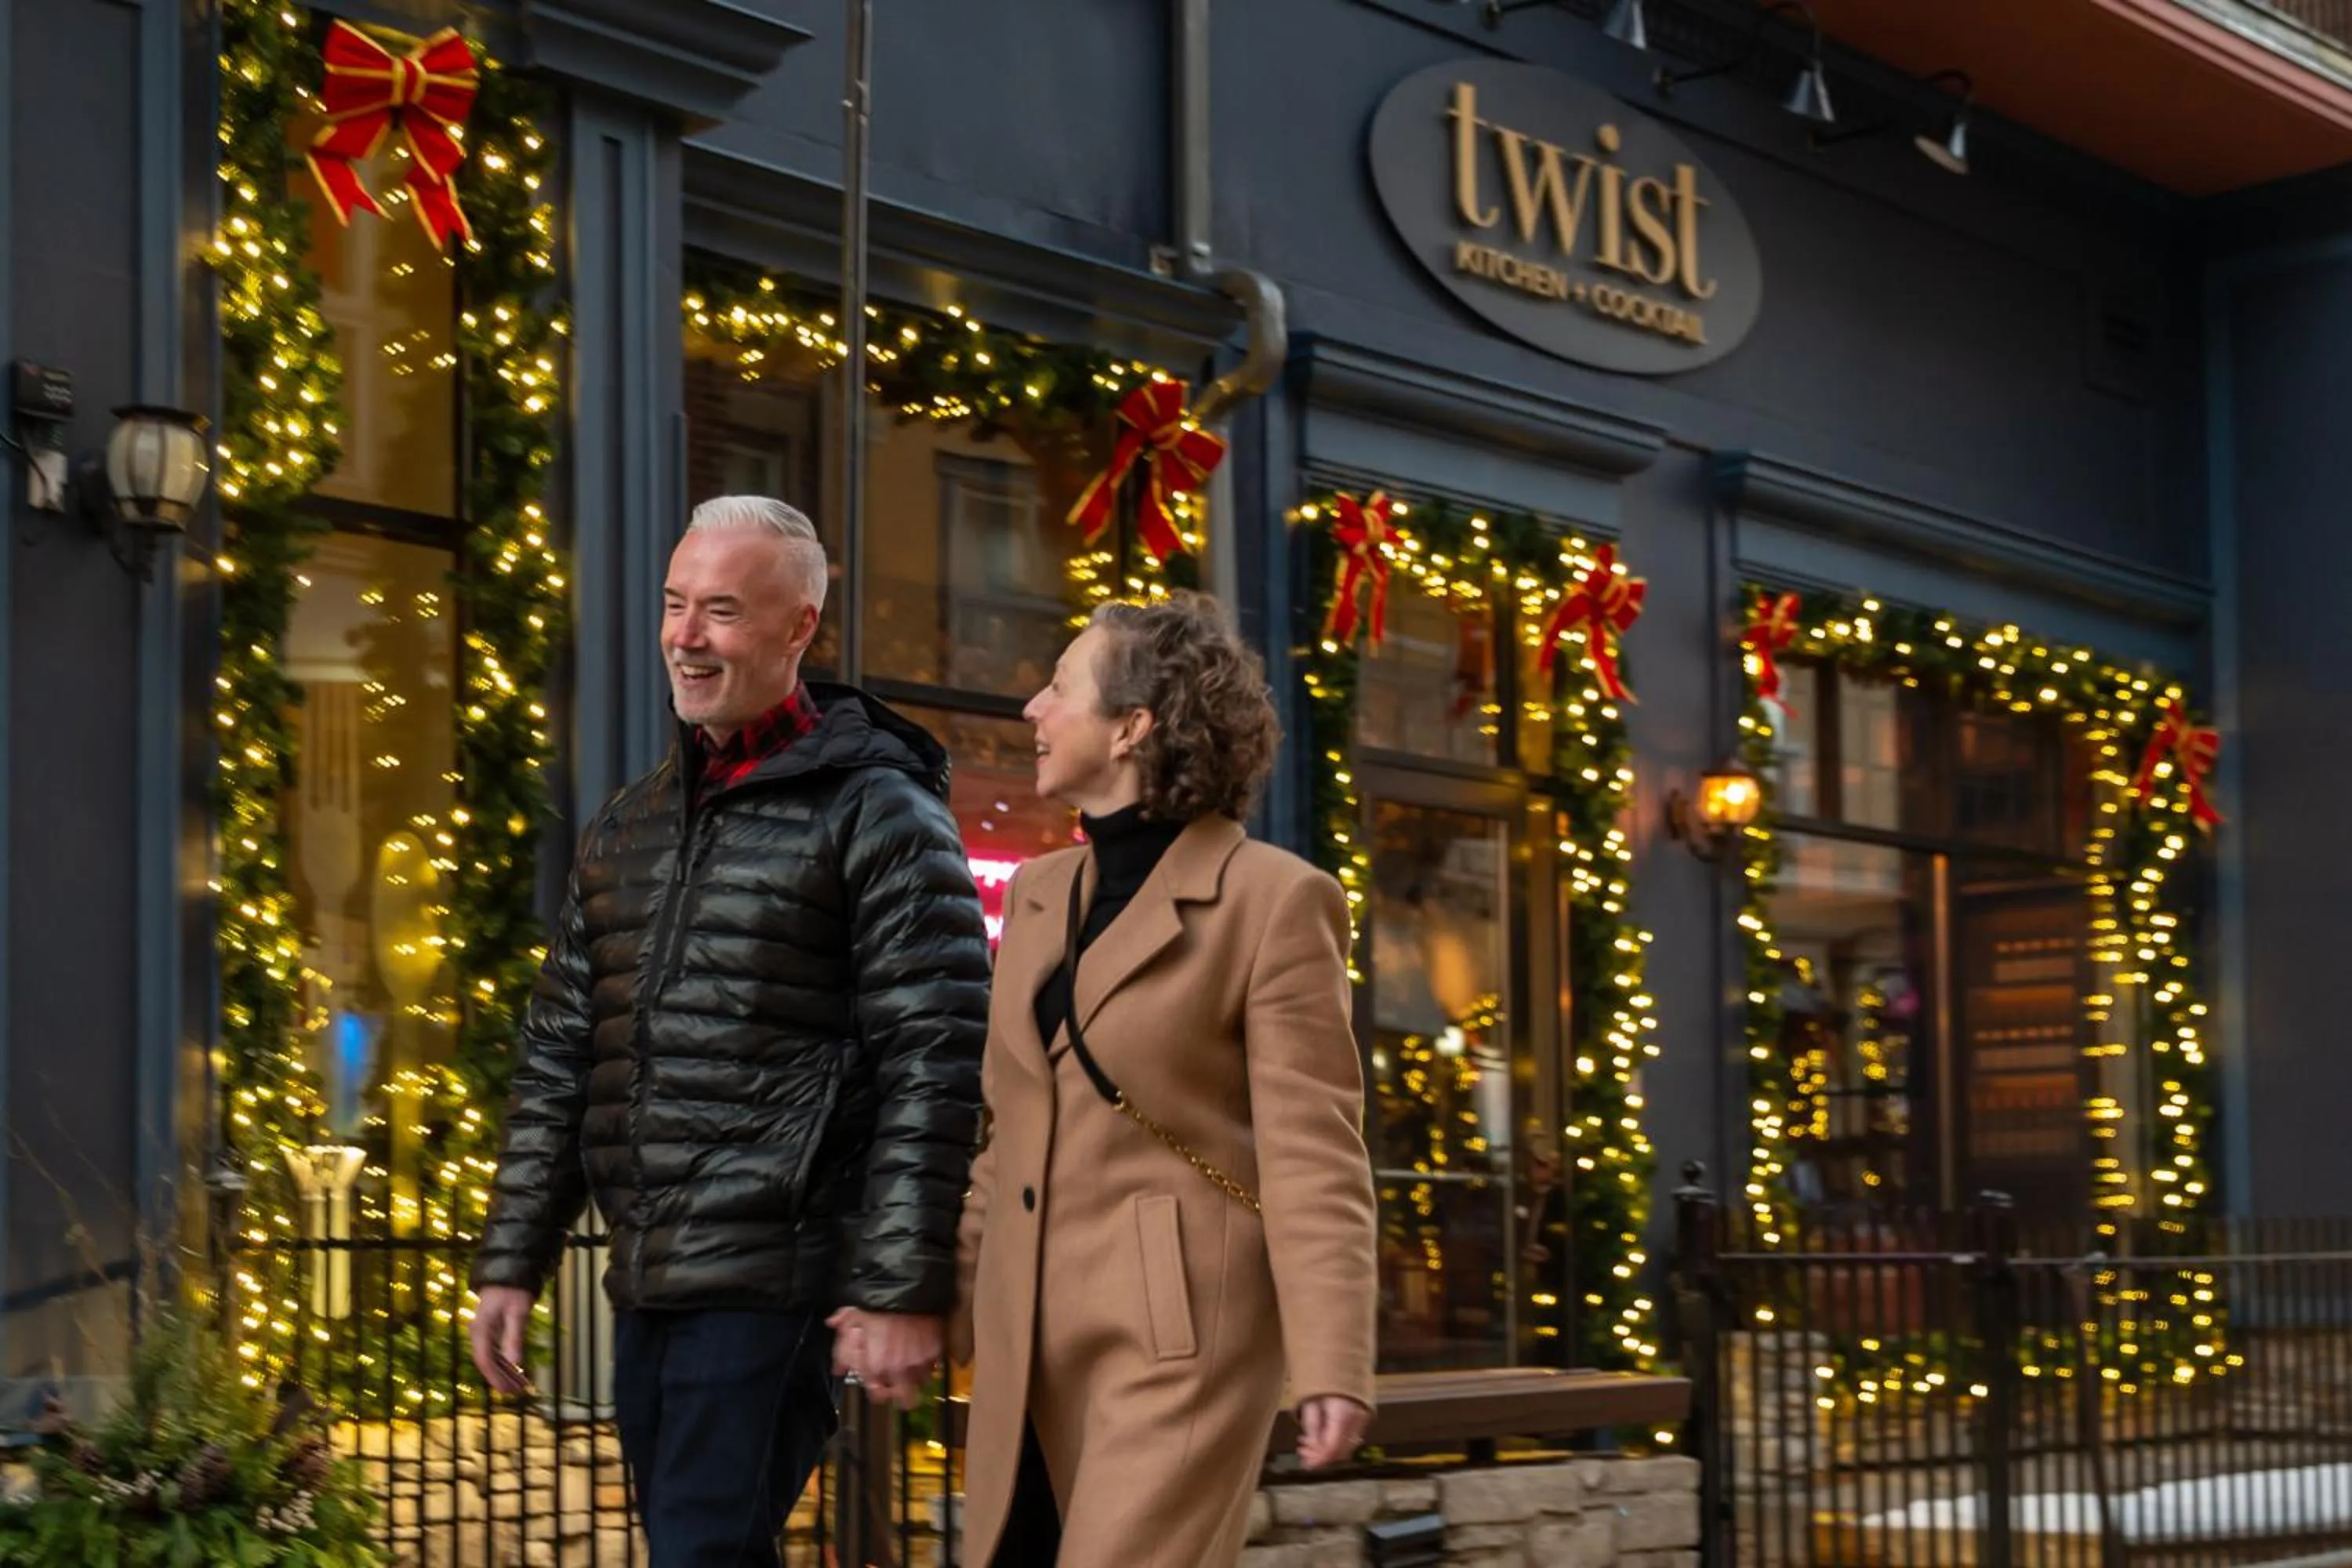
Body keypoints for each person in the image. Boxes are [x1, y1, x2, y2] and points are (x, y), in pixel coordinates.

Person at [466, 495, 989, 1565]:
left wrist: (898, 1286)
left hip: (777, 1272)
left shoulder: (879, 812)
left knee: (701, 1551)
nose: (685, 638)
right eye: (673, 606)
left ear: (799, 629)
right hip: (650, 1273)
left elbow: (934, 1064)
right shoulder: (632, 822)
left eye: (720, 611)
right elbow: (564, 1050)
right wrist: (512, 1257)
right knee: (700, 1548)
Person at [946, 592, 1380, 1568]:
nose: (1033, 710)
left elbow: (1315, 1153)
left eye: (1059, 686)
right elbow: (1011, 1134)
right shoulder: (1043, 893)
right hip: (1026, 1335)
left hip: (1180, 1336)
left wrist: (1333, 1363)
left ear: (1132, 726)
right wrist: (932, 1295)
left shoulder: (1275, 901)